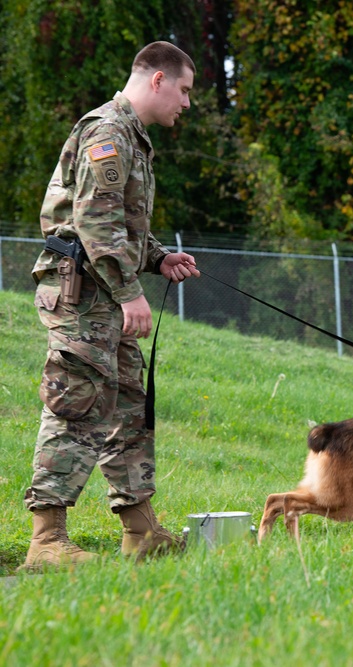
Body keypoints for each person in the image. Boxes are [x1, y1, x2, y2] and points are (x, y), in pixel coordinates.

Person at [20, 41, 201, 571]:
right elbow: (94, 226)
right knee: (76, 401)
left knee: (126, 406)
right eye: (185, 90)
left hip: (101, 290)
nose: (186, 104)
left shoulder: (133, 138)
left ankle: (140, 530)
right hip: (83, 295)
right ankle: (46, 540)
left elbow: (117, 226)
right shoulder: (107, 132)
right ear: (158, 80)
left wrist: (160, 257)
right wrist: (131, 294)